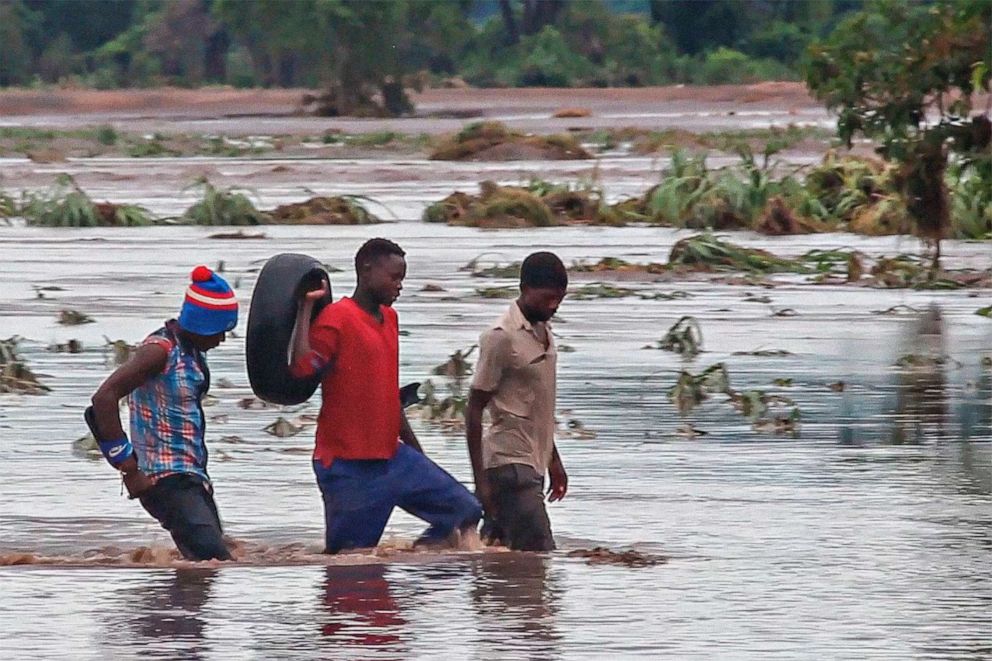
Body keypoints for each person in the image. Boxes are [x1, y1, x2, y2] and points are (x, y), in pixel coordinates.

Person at [290, 238, 481, 553]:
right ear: (366, 271)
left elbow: (388, 395)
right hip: (347, 467)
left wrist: (419, 455)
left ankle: (416, 573)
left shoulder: (390, 320)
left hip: (394, 459)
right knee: (349, 566)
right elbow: (302, 369)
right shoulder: (336, 319)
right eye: (394, 277)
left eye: (402, 278)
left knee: (465, 511)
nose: (399, 286)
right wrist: (305, 308)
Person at [89, 265, 237, 561]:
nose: (221, 340)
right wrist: (128, 468)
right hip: (163, 479)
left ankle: (171, 608)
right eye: (219, 331)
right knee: (212, 558)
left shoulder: (192, 353)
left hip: (191, 477)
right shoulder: (159, 351)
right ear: (202, 325)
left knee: (207, 565)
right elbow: (103, 399)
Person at [466, 252, 569, 551]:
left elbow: (539, 407)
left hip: (533, 464)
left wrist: (554, 462)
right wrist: (481, 482)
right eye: (548, 298)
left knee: (496, 554)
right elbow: (474, 410)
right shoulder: (501, 338)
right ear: (524, 289)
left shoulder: (543, 333)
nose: (554, 305)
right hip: (508, 465)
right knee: (540, 555)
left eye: (560, 299)